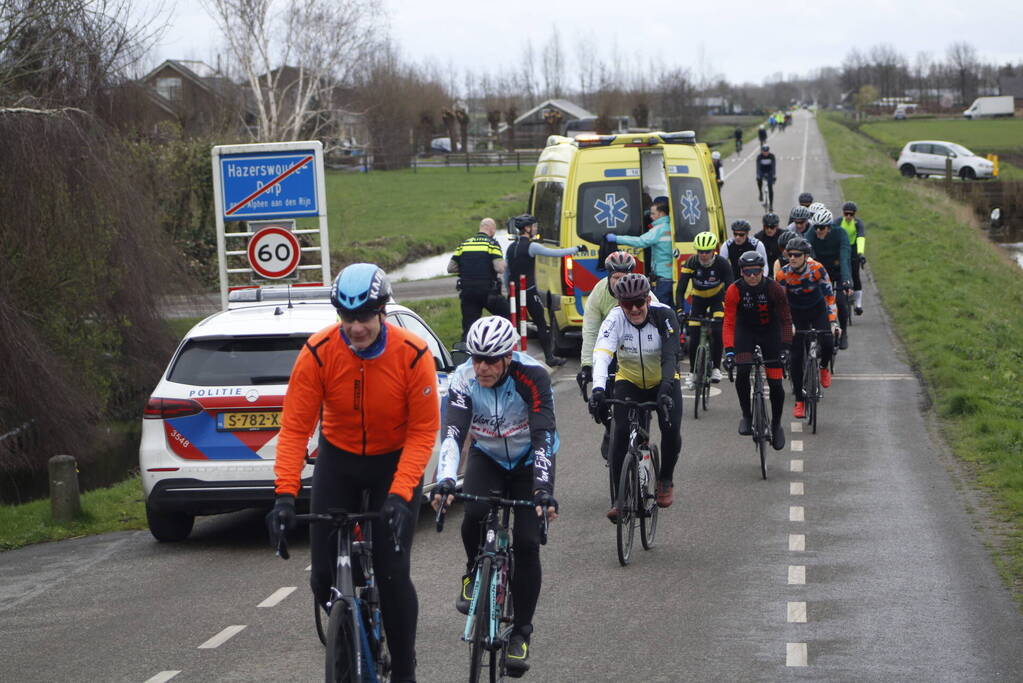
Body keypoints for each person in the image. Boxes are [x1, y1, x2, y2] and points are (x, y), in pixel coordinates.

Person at [268, 264, 440, 683]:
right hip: (339, 459)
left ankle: (403, 667)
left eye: (363, 317)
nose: (356, 328)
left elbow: (423, 432)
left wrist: (401, 496)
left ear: (381, 311)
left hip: (393, 462)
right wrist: (285, 497)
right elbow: (294, 428)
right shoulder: (318, 352)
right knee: (322, 575)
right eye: (347, 318)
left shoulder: (413, 354)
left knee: (393, 572)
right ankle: (349, 626)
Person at [431, 315, 558, 677]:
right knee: (474, 513)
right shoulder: (463, 379)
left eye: (490, 360)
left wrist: (543, 491)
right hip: (487, 455)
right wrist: (444, 481)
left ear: (508, 357)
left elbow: (543, 435)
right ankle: (474, 571)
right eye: (476, 358)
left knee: (527, 543)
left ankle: (521, 633)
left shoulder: (532, 377)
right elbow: (453, 434)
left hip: (528, 459)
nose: (482, 367)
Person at [589, 273, 683, 518]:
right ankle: (619, 501)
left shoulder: (664, 315)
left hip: (663, 380)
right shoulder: (615, 319)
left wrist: (665, 387)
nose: (633, 309)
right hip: (629, 380)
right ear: (619, 303)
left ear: (648, 300)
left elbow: (671, 355)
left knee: (670, 429)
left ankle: (665, 479)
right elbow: (601, 354)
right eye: (627, 304)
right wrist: (598, 389)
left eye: (638, 303)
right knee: (619, 433)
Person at [577, 251, 659, 459]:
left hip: (639, 349)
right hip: (611, 346)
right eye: (615, 278)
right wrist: (587, 365)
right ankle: (609, 428)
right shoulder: (599, 292)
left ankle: (643, 438)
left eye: (624, 277)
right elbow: (591, 331)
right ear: (608, 277)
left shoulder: (643, 290)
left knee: (641, 399)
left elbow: (660, 325)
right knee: (603, 397)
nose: (619, 282)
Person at [722, 251, 792, 451]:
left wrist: (786, 348)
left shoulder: (774, 288)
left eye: (756, 272)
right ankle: (747, 414)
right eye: (747, 272)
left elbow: (786, 320)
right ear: (741, 272)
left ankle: (776, 424)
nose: (752, 276)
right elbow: (728, 323)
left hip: (771, 332)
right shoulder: (734, 290)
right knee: (742, 371)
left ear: (763, 271)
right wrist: (729, 352)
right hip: (746, 332)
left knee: (776, 382)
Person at [505, 213, 586, 367]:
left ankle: (511, 359)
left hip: (514, 291)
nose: (535, 229)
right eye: (534, 226)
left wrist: (508, 291)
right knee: (541, 324)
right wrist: (576, 248)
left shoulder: (510, 247)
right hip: (528, 291)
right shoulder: (531, 246)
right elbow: (555, 253)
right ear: (527, 229)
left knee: (514, 326)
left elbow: (507, 272)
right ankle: (550, 357)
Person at [774, 237, 839, 418]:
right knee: (795, 356)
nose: (792, 258)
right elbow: (780, 304)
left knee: (827, 342)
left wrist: (833, 322)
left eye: (797, 255)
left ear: (806, 256)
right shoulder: (783, 275)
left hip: (817, 311)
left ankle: (824, 367)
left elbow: (829, 297)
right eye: (789, 254)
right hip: (795, 314)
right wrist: (788, 324)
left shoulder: (817, 269)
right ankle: (799, 401)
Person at [677, 231, 733, 388]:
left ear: (713, 250)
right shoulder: (691, 263)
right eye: (700, 251)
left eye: (707, 251)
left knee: (716, 330)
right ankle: (693, 373)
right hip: (699, 299)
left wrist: (729, 309)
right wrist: (680, 310)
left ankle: (716, 367)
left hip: (717, 298)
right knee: (694, 336)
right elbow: (680, 289)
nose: (703, 254)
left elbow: (730, 288)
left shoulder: (722, 263)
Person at [448, 217, 510, 338]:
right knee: (507, 316)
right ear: (491, 229)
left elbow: (451, 268)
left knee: (469, 327)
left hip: (468, 293)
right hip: (488, 292)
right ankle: (495, 340)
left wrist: (468, 268)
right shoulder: (492, 244)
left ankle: (465, 353)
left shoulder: (464, 244)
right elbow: (500, 268)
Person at [606, 196, 675, 304]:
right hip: (671, 274)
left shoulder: (659, 229)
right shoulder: (670, 227)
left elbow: (641, 241)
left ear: (661, 214)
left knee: (661, 306)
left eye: (653, 213)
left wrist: (616, 238)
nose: (650, 216)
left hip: (662, 275)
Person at [806, 208, 852, 350]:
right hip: (820, 271)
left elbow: (844, 258)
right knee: (818, 302)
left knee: (839, 301)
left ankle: (843, 332)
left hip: (838, 271)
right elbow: (808, 258)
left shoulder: (840, 234)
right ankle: (820, 336)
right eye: (816, 227)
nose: (818, 230)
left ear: (829, 227)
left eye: (822, 227)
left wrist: (846, 281)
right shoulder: (811, 235)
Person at [835, 201, 867, 315]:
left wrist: (861, 253)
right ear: (843, 213)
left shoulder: (858, 223)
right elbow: (833, 236)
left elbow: (861, 238)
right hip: (840, 249)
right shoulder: (838, 222)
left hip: (853, 249)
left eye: (851, 214)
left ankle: (858, 304)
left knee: (855, 275)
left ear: (854, 214)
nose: (848, 216)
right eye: (846, 214)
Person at [756, 144, 777, 211]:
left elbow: (773, 166)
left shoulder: (772, 156)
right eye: (764, 151)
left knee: (770, 188)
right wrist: (758, 175)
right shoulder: (759, 157)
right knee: (759, 180)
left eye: (767, 151)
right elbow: (758, 167)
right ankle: (760, 193)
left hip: (769, 172)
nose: (765, 153)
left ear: (768, 151)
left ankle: (771, 205)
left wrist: (774, 175)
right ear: (762, 151)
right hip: (762, 171)